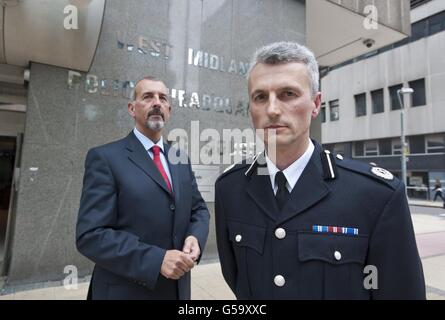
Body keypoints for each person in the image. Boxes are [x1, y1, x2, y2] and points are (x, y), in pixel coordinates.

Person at [215, 42, 425, 299]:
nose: (272, 109)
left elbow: (400, 291)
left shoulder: (376, 195)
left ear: (316, 104)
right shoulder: (231, 188)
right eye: (260, 97)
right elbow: (237, 279)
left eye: (288, 94)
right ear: (250, 110)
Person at [76, 76, 210, 300]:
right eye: (148, 97)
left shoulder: (181, 159)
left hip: (177, 291)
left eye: (162, 98)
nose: (156, 102)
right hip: (126, 291)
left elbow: (198, 209)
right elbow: (90, 235)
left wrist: (195, 237)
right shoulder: (105, 158)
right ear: (132, 108)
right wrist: (156, 260)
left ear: (169, 109)